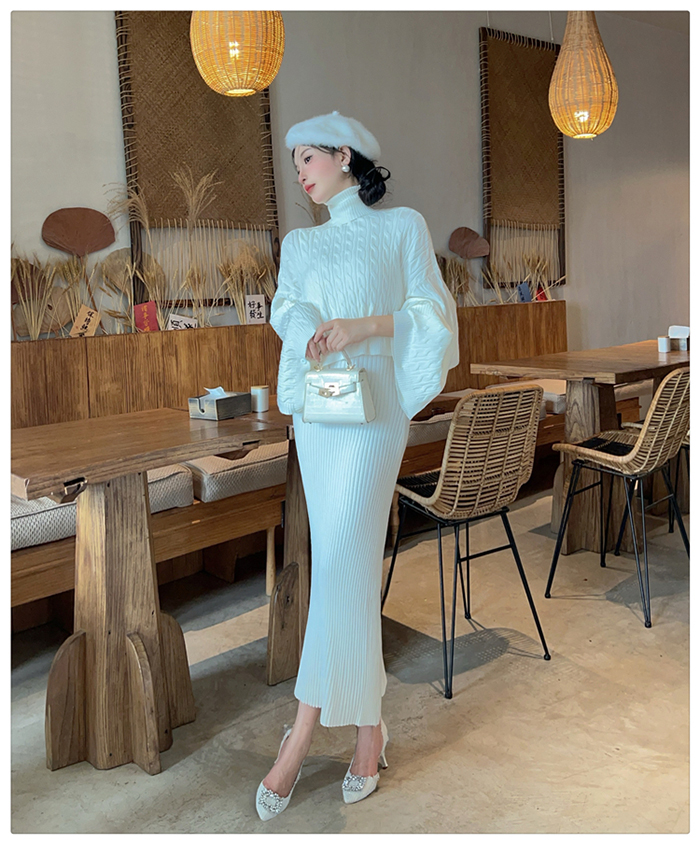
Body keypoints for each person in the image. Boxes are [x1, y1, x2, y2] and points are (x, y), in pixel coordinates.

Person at [256, 111, 460, 820]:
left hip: (377, 411)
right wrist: (311, 327)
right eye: (295, 165)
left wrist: (362, 326)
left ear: (344, 154)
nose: (301, 175)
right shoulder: (300, 241)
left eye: (309, 159)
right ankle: (369, 730)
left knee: (344, 552)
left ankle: (301, 732)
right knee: (344, 565)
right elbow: (286, 307)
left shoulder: (401, 227)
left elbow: (431, 310)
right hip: (322, 411)